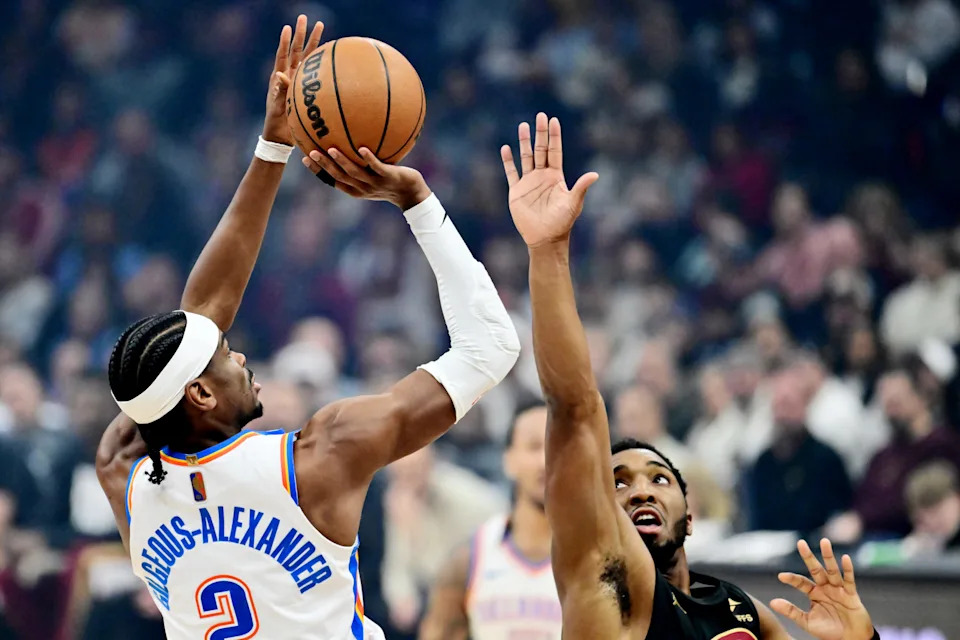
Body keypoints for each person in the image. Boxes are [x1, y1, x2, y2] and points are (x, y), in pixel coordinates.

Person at [94, 16, 520, 640]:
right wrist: (417, 202)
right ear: (200, 393)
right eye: (227, 355)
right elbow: (491, 347)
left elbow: (190, 337)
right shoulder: (320, 457)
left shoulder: (123, 475)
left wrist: (273, 145)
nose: (242, 358)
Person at [500, 112, 879, 639]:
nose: (640, 491)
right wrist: (548, 252)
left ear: (690, 514)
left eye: (659, 479)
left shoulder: (741, 610)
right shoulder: (605, 581)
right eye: (618, 483)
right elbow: (574, 405)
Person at [419, 405, 561, 640]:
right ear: (508, 460)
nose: (544, 460)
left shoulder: (594, 557)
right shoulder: (469, 558)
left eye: (555, 446)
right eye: (534, 446)